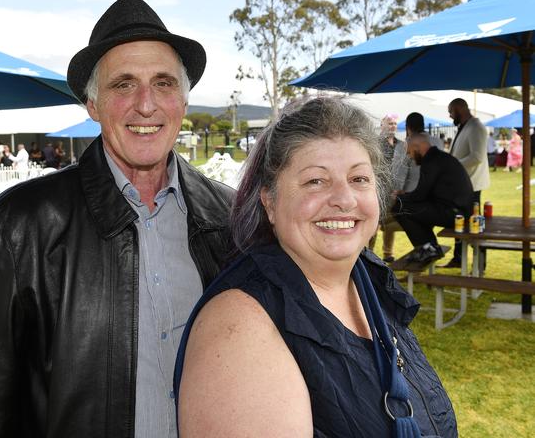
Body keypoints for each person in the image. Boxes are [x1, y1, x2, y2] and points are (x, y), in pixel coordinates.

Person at [0, 0, 234, 437]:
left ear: (183, 100)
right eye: (123, 84)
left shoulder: (231, 217)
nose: (146, 105)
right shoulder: (20, 224)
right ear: (92, 104)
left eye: (163, 83)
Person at [175, 97, 457, 437]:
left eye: (359, 179)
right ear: (270, 201)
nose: (344, 199)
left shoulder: (368, 282)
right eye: (315, 181)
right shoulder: (239, 329)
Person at [392, 133, 474, 263]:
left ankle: (428, 247)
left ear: (417, 147)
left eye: (410, 153)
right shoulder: (439, 158)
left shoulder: (431, 161)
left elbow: (420, 195)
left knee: (399, 207)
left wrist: (399, 197)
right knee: (409, 207)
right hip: (458, 210)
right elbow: (426, 193)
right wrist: (404, 195)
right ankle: (429, 246)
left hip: (455, 214)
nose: (410, 157)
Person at [442, 98, 490, 268]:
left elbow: (476, 157)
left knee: (474, 227)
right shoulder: (467, 126)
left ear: (459, 109)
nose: (449, 115)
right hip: (463, 185)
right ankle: (458, 258)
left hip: (472, 186)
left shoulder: (476, 127)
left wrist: (453, 165)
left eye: (451, 111)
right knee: (460, 221)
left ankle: (480, 264)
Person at [369, 114, 413, 263]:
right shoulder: (374, 143)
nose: (392, 126)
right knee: (374, 223)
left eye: (394, 123)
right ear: (382, 125)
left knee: (389, 223)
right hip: (377, 190)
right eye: (389, 123)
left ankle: (388, 253)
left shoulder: (401, 145)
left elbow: (405, 166)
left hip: (395, 191)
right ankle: (369, 253)